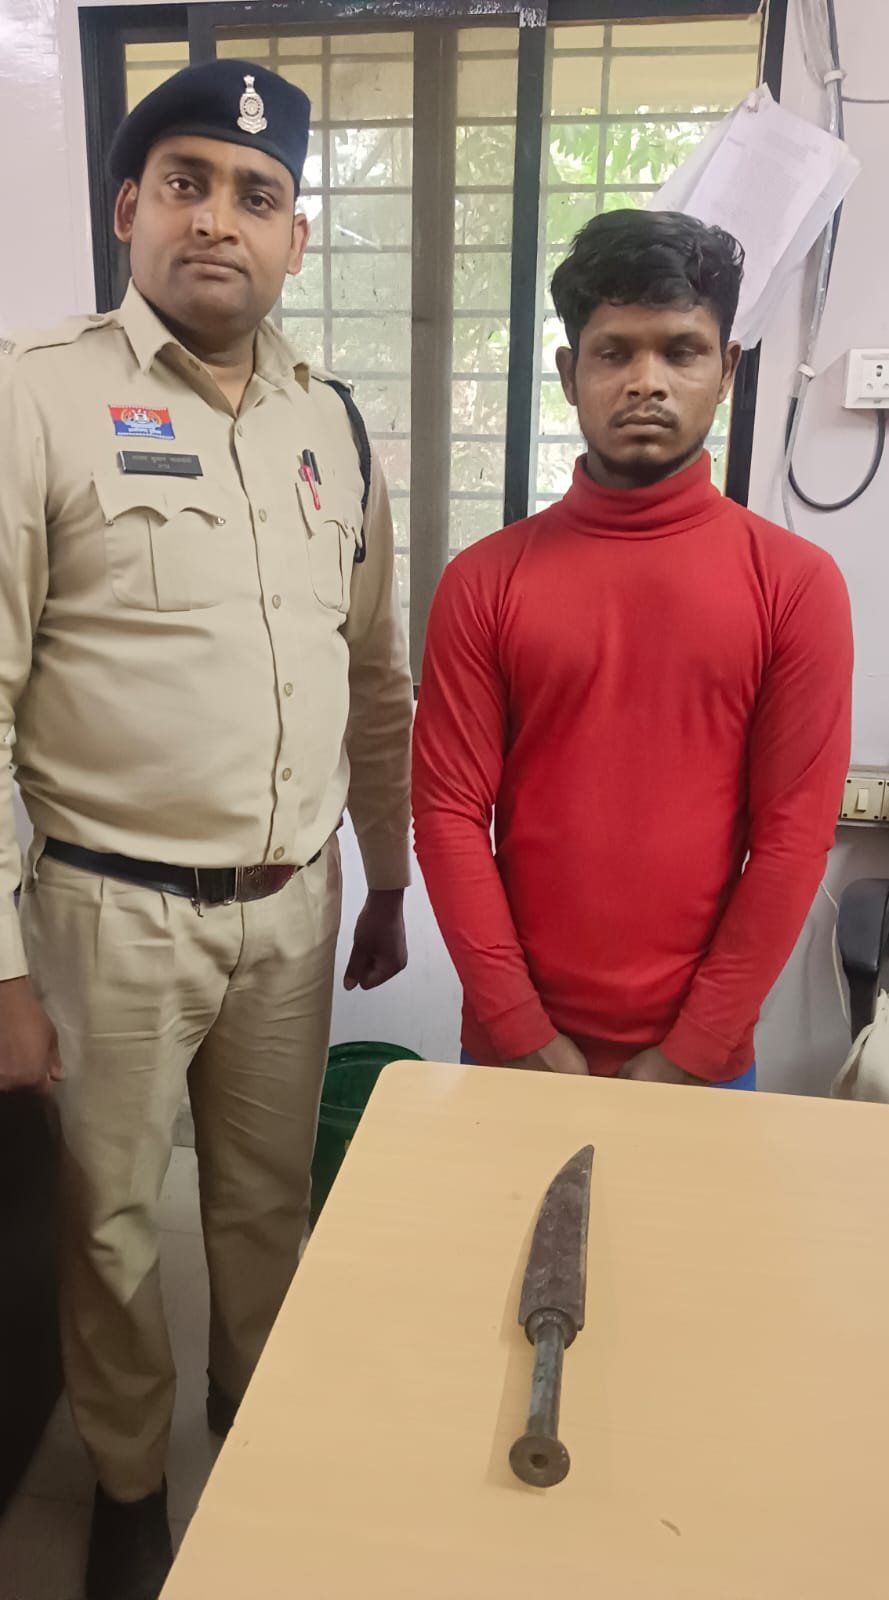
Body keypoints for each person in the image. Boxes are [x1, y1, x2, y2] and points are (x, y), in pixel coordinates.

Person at [0, 58, 412, 1600]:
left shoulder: (335, 425)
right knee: (110, 1225)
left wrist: (388, 876)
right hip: (107, 914)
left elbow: (376, 677)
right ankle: (126, 1481)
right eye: (187, 182)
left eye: (258, 194)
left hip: (294, 907)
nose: (219, 219)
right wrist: (1, 967)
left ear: (296, 235)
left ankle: (259, 1420)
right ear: (129, 208)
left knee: (264, 1200)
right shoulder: (32, 397)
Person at [413, 209, 852, 1091]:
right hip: (513, 1052)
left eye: (681, 351)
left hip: (701, 1064)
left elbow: (793, 839)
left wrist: (691, 1052)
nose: (646, 382)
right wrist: (520, 1030)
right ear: (570, 374)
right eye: (614, 352)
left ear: (727, 371)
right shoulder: (484, 581)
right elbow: (449, 816)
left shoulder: (795, 585)